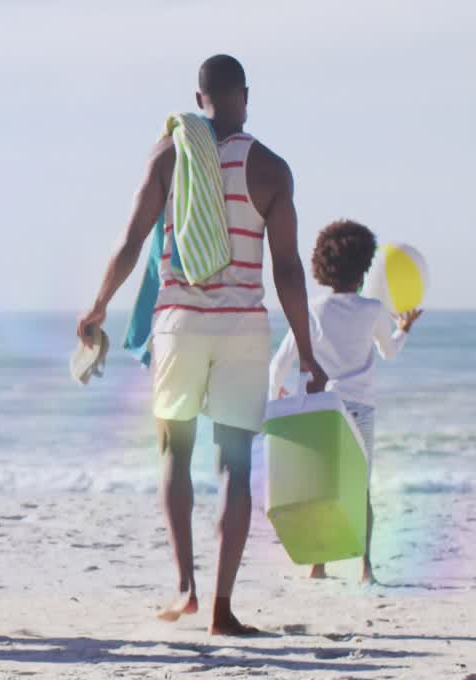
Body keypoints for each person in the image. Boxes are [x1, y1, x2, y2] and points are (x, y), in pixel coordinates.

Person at [76, 55, 328, 636]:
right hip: (242, 327)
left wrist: (97, 305)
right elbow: (288, 268)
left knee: (174, 454)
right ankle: (221, 609)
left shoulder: (169, 154)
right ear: (245, 95)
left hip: (179, 324)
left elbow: (132, 241)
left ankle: (184, 586)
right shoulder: (269, 168)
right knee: (235, 468)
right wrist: (307, 352)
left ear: (198, 96)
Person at [269, 220, 423, 585]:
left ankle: (317, 565)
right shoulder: (373, 310)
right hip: (360, 410)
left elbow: (280, 362)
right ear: (365, 267)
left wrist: (278, 394)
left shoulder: (312, 310)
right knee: (359, 488)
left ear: (322, 267)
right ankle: (365, 569)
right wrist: (404, 328)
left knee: (319, 487)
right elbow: (389, 352)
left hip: (319, 412)